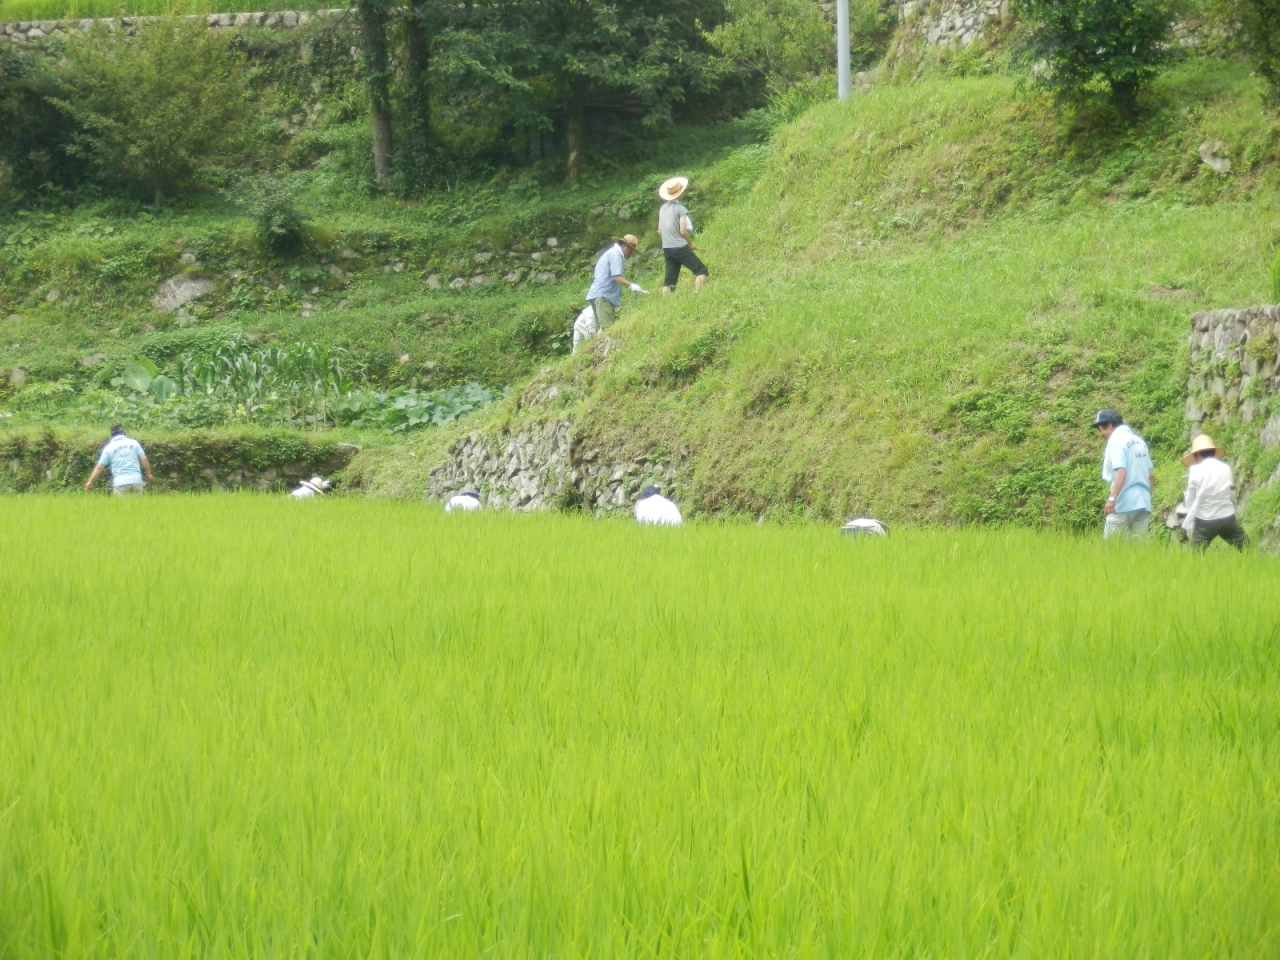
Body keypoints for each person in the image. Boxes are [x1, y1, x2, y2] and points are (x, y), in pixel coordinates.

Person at [1092, 408, 1154, 539]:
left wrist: (1112, 499)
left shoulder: (1116, 441)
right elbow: (1150, 475)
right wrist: (1148, 498)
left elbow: (1121, 471)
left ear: (1109, 426)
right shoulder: (1139, 441)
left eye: (1101, 429)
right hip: (1144, 503)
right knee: (1139, 551)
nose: (1101, 434)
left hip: (1124, 503)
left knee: (1112, 548)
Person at [1180, 434, 1246, 550]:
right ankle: (1264, 564)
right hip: (1227, 517)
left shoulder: (1195, 470)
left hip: (1206, 519)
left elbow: (1191, 499)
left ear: (1198, 454)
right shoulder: (1226, 467)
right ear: (1212, 452)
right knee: (1247, 549)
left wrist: (1190, 509)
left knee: (1195, 556)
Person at [585, 234, 646, 334]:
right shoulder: (616, 255)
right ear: (624, 246)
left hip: (599, 295)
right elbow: (616, 277)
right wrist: (631, 286)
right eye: (630, 250)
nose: (631, 254)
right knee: (607, 330)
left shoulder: (610, 253)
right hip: (603, 297)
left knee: (603, 330)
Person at [657, 176, 708, 295]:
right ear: (680, 193)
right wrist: (690, 244)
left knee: (669, 282)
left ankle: (665, 304)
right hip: (679, 246)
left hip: (667, 248)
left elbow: (660, 230)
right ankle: (698, 296)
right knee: (701, 270)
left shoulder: (662, 208)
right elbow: (683, 231)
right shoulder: (680, 209)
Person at [84, 424, 153, 495]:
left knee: (120, 506)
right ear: (123, 432)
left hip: (120, 482)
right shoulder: (133, 443)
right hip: (136, 481)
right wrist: (149, 474)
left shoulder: (109, 448)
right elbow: (144, 458)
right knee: (139, 506)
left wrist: (90, 482)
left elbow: (99, 467)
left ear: (111, 435)